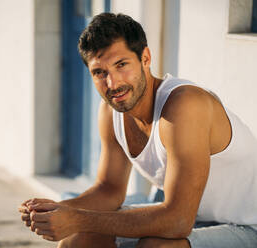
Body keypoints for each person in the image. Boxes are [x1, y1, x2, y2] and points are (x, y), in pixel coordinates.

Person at [18, 13, 257, 248]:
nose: (113, 83)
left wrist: (77, 218)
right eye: (100, 73)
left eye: (121, 65)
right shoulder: (111, 112)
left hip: (246, 225)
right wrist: (56, 210)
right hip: (194, 218)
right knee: (77, 241)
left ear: (145, 58)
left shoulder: (185, 105)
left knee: (154, 247)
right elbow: (108, 190)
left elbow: (178, 220)